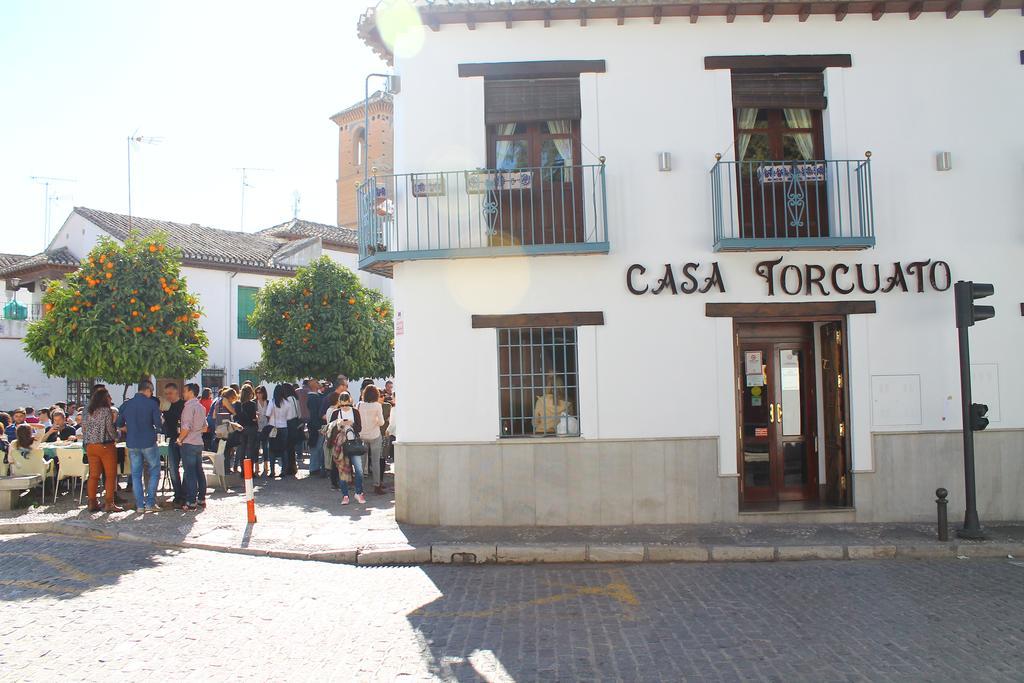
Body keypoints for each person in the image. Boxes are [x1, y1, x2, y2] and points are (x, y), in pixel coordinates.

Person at [117, 380, 164, 513]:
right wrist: (155, 431)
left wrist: (130, 429)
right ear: (148, 390)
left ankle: (139, 505)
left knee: (136, 474)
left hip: (132, 442)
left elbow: (119, 423)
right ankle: (150, 503)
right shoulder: (152, 404)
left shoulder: (127, 404)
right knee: (154, 471)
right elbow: (158, 424)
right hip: (148, 441)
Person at [81, 388, 122, 512]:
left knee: (93, 476)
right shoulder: (106, 411)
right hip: (105, 445)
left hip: (90, 446)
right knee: (110, 475)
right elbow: (109, 429)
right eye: (109, 397)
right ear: (105, 399)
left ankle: (92, 502)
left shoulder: (87, 411)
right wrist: (117, 436)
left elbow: (83, 428)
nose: (111, 399)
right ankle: (109, 503)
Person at [325, 392, 364, 503]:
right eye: (342, 405)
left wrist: (351, 424)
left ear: (350, 403)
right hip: (340, 445)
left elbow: (359, 428)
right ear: (339, 404)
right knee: (342, 471)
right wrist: (339, 424)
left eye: (347, 405)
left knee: (359, 470)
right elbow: (330, 430)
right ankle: (345, 495)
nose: (345, 407)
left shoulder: (355, 412)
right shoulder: (335, 413)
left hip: (353, 443)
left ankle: (358, 492)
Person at [177, 383, 207, 511]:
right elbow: (205, 428)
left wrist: (180, 439)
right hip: (198, 442)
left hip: (189, 443)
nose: (183, 393)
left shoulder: (188, 407)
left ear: (190, 392)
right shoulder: (201, 407)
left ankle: (191, 501)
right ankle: (201, 498)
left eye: (184, 391)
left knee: (190, 473)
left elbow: (185, 427)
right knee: (199, 471)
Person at [357, 385, 386, 495]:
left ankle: (360, 487)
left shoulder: (359, 405)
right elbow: (382, 422)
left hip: (362, 435)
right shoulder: (377, 406)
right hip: (374, 435)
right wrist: (375, 423)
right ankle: (377, 485)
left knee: (361, 462)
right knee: (375, 462)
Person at [162, 383, 187, 509]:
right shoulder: (166, 406)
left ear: (176, 392)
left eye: (170, 393)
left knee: (187, 469)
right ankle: (178, 495)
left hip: (185, 439)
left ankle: (184, 494)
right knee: (173, 469)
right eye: (166, 393)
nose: (168, 396)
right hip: (172, 439)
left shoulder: (184, 405)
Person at [265, 384, 296, 478]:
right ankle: (284, 470)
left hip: (273, 427)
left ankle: (272, 471)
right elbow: (289, 417)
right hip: (283, 426)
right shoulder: (287, 403)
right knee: (284, 449)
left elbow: (267, 413)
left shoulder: (272, 402)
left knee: (272, 449)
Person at [234, 385, 259, 471]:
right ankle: (249, 470)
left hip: (241, 428)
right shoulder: (252, 404)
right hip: (251, 427)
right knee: (250, 450)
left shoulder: (237, 404)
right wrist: (256, 417)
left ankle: (243, 470)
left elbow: (236, 417)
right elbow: (253, 417)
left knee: (242, 449)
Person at [306, 379, 326, 477]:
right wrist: (318, 427)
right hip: (316, 426)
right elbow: (314, 414)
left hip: (314, 425)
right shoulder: (313, 398)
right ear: (313, 385)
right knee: (317, 447)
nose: (319, 384)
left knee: (316, 447)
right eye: (317, 383)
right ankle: (314, 468)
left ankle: (315, 467)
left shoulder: (313, 397)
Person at [255, 386, 271, 477]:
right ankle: (256, 467)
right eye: (257, 392)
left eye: (260, 392)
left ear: (264, 393)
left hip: (265, 427)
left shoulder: (268, 402)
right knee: (256, 448)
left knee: (265, 447)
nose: (258, 394)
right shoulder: (254, 403)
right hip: (257, 428)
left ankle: (266, 465)